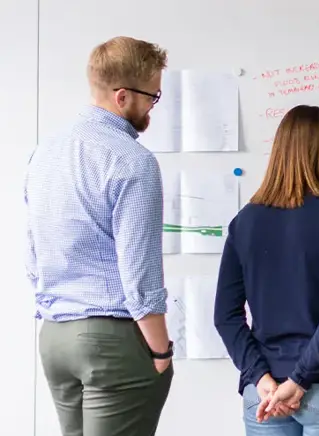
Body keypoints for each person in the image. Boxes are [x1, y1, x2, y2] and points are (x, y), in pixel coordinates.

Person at [24, 36, 174, 436]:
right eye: (152, 97)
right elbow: (140, 271)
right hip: (111, 339)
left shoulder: (45, 153)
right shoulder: (133, 161)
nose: (152, 107)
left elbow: (33, 252)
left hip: (55, 337)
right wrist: (161, 349)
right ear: (122, 96)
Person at [214, 105, 319, 436]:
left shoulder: (245, 221)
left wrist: (260, 377)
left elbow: (225, 316)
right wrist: (300, 379)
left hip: (265, 392)